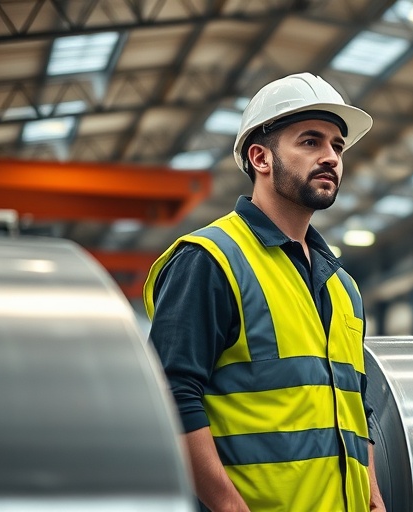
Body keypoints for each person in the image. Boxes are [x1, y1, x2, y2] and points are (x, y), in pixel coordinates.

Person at [143, 72, 386, 512]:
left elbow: (357, 405)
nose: (330, 157)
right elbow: (169, 396)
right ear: (261, 157)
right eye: (310, 141)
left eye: (337, 146)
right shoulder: (212, 260)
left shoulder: (343, 287)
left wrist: (371, 492)